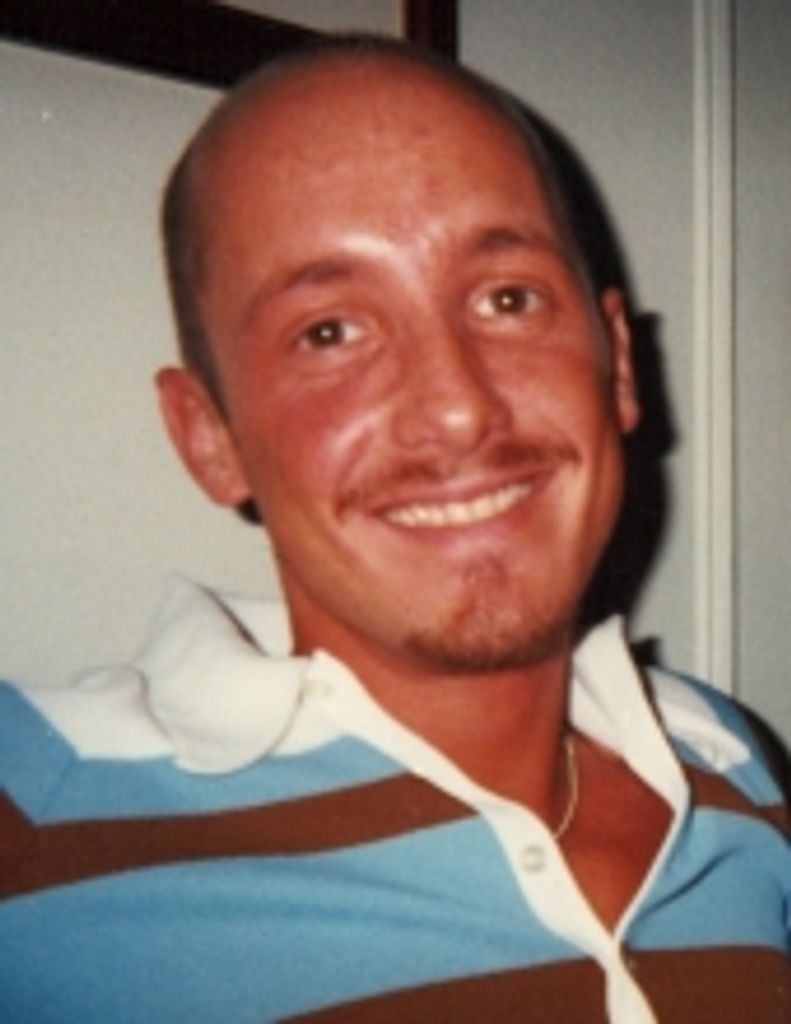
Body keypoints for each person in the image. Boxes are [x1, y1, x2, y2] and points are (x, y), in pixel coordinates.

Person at [1, 35, 787, 1024]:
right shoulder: (33, 804)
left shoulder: (727, 763)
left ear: (617, 361)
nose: (456, 408)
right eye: (329, 332)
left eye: (507, 300)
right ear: (210, 438)